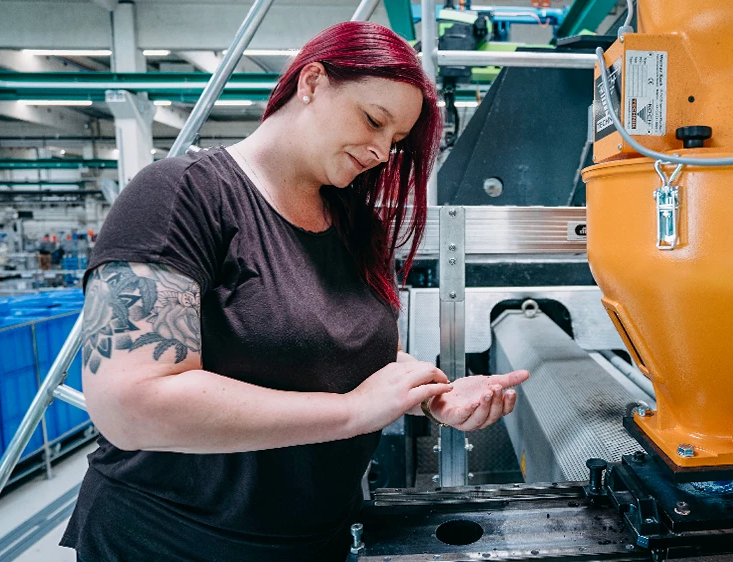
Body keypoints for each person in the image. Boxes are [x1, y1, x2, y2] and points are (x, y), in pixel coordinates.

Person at [61, 21, 529, 561]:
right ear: (312, 81)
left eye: (395, 142)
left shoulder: (352, 222)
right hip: (172, 541)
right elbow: (130, 405)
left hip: (312, 542)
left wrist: (430, 395)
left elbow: (326, 344)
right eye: (373, 120)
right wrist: (353, 412)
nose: (381, 151)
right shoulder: (181, 196)